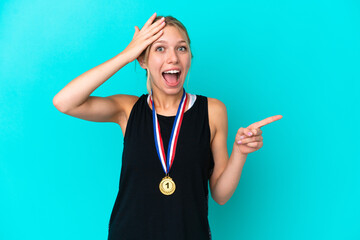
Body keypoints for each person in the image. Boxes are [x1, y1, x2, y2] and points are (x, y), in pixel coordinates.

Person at [53, 12, 282, 240]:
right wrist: (127, 54)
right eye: (160, 48)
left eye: (181, 48)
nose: (173, 58)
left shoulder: (212, 111)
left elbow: (221, 195)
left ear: (190, 56)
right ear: (143, 60)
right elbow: (64, 102)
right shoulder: (128, 109)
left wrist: (240, 153)